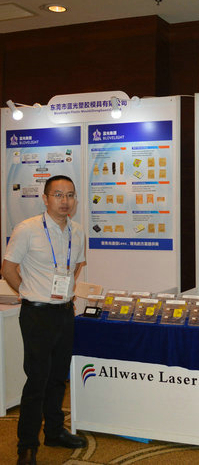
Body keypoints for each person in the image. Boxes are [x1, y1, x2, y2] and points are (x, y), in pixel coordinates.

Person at [1, 175, 87, 465]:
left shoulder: (77, 231)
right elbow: (8, 268)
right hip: (37, 313)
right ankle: (26, 445)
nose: (65, 201)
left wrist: (63, 294)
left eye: (70, 195)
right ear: (46, 198)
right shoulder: (27, 229)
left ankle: (54, 431)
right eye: (58, 195)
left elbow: (74, 268)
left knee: (58, 377)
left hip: (64, 312)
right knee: (37, 379)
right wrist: (28, 292)